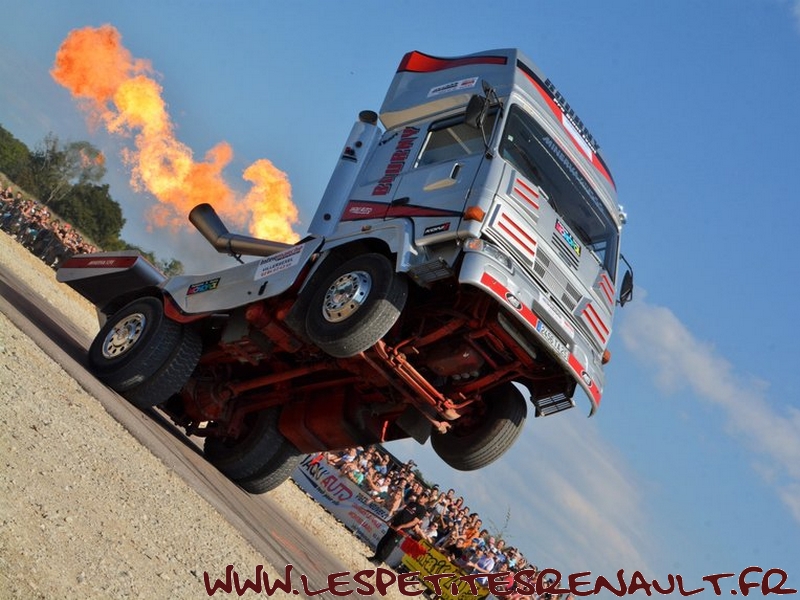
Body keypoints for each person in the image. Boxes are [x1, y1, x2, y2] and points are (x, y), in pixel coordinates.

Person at [368, 491, 430, 564]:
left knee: (390, 544)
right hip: (395, 524)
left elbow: (414, 522)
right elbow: (400, 513)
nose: (422, 497)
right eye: (422, 494)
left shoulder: (422, 510)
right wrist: (391, 520)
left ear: (426, 500)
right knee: (384, 540)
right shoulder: (412, 503)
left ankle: (379, 560)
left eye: (425, 496)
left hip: (402, 530)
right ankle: (375, 556)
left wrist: (401, 526)